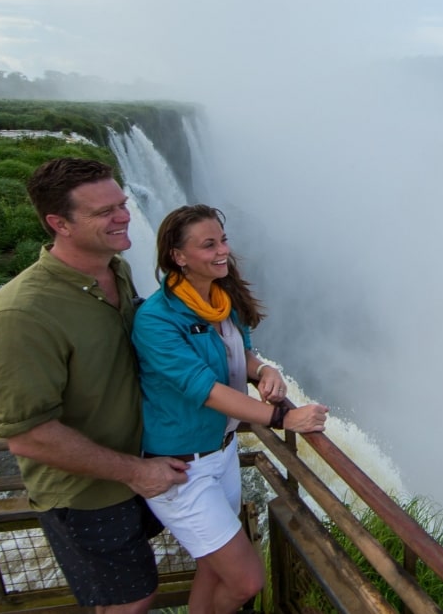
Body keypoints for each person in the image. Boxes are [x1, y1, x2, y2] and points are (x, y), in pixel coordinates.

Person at [0, 158, 190, 614]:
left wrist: (245, 360)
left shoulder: (116, 270)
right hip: (88, 493)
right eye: (104, 212)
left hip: (139, 466)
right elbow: (27, 434)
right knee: (129, 602)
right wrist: (134, 471)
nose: (124, 216)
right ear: (59, 223)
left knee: (131, 591)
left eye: (122, 203)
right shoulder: (21, 315)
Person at [132, 204, 328, 614]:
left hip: (221, 454)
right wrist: (284, 418)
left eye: (222, 239)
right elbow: (207, 390)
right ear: (177, 256)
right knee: (246, 580)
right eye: (209, 244)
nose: (223, 250)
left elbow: (241, 355)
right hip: (181, 467)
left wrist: (264, 369)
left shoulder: (221, 301)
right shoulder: (157, 319)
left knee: (213, 568)